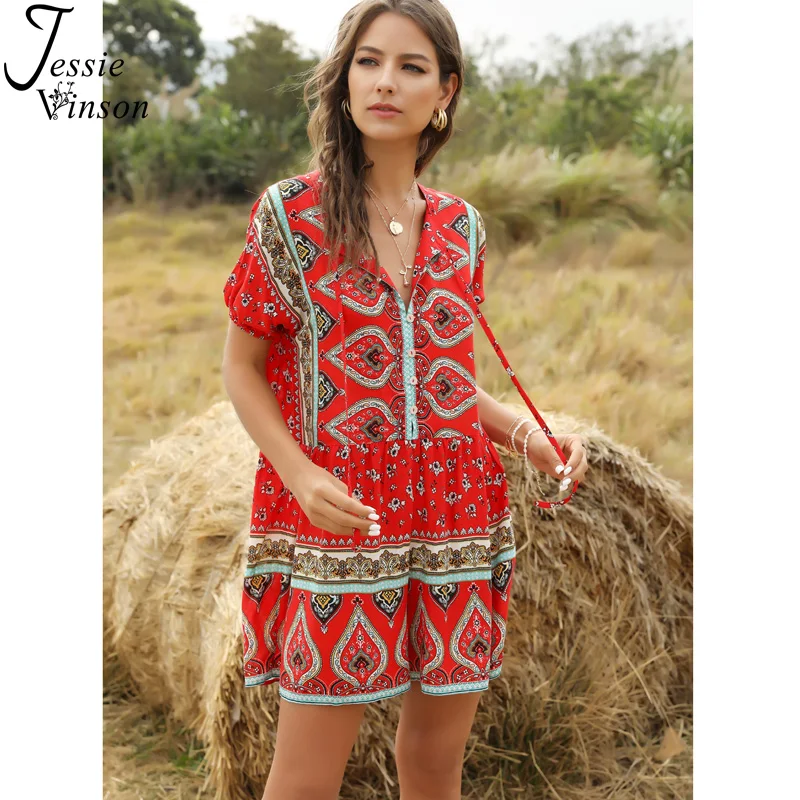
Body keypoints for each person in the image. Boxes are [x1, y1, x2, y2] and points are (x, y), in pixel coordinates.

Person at [221, 2, 589, 798]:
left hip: (458, 514)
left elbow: (442, 382)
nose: (386, 81)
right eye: (369, 61)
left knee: (433, 762)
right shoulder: (289, 216)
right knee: (305, 779)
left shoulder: (463, 227)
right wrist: (299, 475)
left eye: (411, 67)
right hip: (343, 514)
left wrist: (529, 436)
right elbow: (241, 370)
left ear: (445, 92)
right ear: (345, 80)